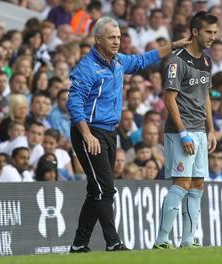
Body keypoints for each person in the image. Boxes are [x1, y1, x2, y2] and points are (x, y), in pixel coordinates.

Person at [66, 16, 190, 253]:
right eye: (111, 37)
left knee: (96, 190)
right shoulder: (86, 67)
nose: (116, 41)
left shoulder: (119, 61)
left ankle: (79, 244)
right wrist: (86, 135)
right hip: (90, 132)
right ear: (98, 39)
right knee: (105, 189)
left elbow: (144, 59)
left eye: (118, 37)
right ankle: (113, 242)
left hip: (109, 132)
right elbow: (74, 103)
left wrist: (174, 45)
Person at [154, 12, 217, 249]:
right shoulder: (176, 60)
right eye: (209, 32)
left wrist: (211, 130)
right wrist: (183, 133)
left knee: (197, 185)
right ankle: (161, 240)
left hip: (200, 131)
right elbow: (169, 99)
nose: (213, 36)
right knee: (181, 184)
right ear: (195, 32)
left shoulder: (207, 60)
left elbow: (206, 97)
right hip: (181, 132)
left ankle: (188, 241)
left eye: (215, 32)